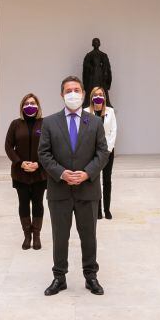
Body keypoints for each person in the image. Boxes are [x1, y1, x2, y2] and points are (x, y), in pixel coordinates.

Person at [37, 76, 110, 297]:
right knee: (60, 235)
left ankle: (91, 276)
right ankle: (59, 277)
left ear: (83, 93)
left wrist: (87, 173)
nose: (73, 94)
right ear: (61, 95)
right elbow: (44, 153)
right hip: (59, 190)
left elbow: (103, 152)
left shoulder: (95, 122)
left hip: (87, 189)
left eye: (76, 89)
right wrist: (62, 173)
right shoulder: (49, 122)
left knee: (89, 235)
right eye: (68, 90)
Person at [4, 93, 47, 250]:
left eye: (33, 103)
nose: (30, 106)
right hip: (20, 173)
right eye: (27, 103)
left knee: (38, 203)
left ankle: (36, 235)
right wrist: (20, 163)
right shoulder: (16, 124)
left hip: (40, 172)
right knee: (23, 203)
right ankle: (26, 235)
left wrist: (39, 163)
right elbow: (8, 147)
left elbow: (50, 147)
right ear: (22, 107)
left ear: (38, 106)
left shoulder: (45, 123)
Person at [88, 87, 117, 220]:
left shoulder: (110, 111)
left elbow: (113, 131)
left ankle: (107, 209)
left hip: (107, 151)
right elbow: (86, 133)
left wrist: (108, 150)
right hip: (92, 152)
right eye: (96, 94)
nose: (98, 97)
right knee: (94, 180)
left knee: (107, 180)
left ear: (104, 97)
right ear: (92, 97)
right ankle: (97, 210)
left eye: (101, 94)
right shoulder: (86, 112)